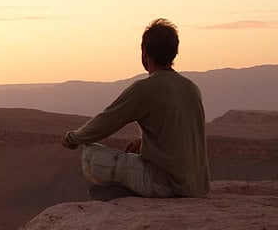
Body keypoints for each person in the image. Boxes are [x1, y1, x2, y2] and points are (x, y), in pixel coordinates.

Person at [61, 18, 210, 198]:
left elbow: (106, 121)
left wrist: (73, 138)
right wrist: (143, 142)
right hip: (196, 185)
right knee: (132, 158)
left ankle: (129, 192)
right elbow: (179, 127)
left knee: (90, 155)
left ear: (144, 53)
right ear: (175, 52)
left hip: (164, 184)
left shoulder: (145, 88)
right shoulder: (191, 87)